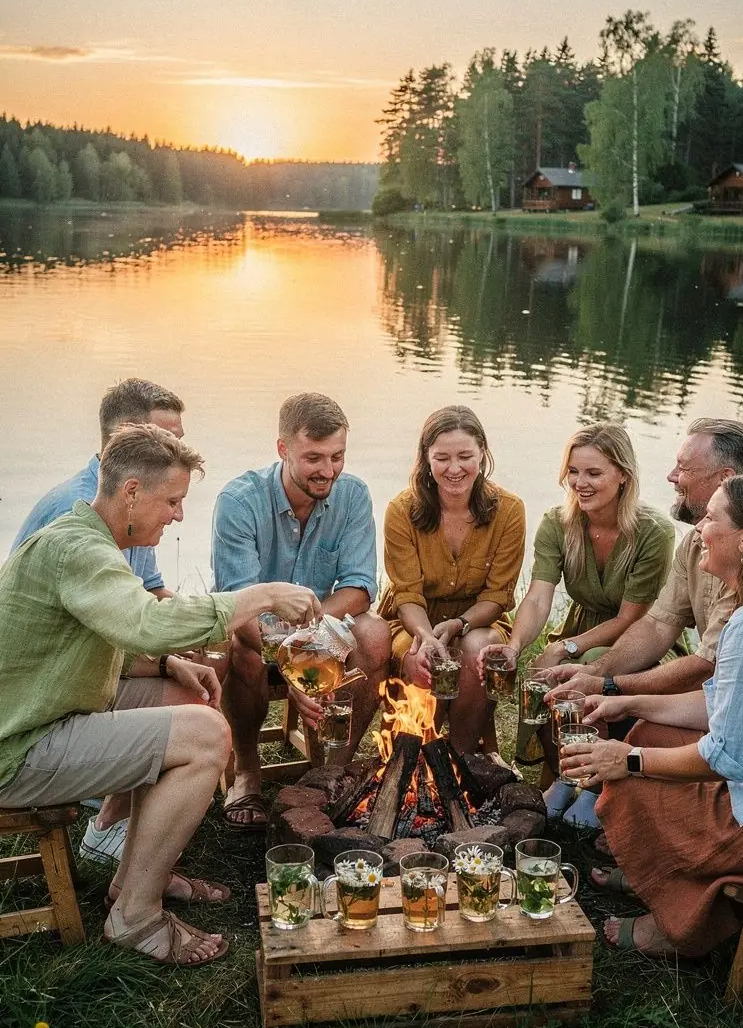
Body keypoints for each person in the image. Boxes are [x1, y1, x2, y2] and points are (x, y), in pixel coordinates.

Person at [0, 424, 319, 965]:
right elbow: (148, 623)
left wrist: (171, 663)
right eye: (172, 500)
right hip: (19, 748)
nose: (178, 515)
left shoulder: (88, 539)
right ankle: (135, 920)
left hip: (46, 714)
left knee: (184, 699)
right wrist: (259, 595)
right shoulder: (79, 550)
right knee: (205, 735)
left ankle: (133, 881)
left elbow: (95, 637)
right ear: (131, 493)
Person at [560, 475, 743, 960]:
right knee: (651, 729)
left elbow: (730, 760)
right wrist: (625, 702)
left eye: (711, 518)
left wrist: (629, 760)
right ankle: (654, 876)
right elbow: (722, 704)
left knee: (634, 781)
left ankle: (682, 924)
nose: (699, 528)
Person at [9, 377, 187, 866]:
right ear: (125, 443)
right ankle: (110, 820)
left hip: (97, 668)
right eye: (165, 441)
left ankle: (115, 827)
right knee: (194, 714)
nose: (176, 451)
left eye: (179, 440)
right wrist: (232, 611)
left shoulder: (133, 507)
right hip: (47, 701)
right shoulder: (71, 512)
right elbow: (70, 635)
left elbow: (148, 593)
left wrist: (180, 647)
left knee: (197, 678)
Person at [212, 392, 390, 829]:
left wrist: (311, 642)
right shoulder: (239, 501)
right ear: (283, 449)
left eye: (337, 456)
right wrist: (295, 665)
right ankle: (248, 771)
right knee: (241, 647)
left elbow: (359, 589)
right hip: (257, 631)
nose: (327, 470)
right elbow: (239, 606)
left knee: (375, 633)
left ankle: (329, 771)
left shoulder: (352, 495)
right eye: (314, 457)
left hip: (320, 626)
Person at [479, 423, 674, 823]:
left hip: (639, 637)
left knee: (585, 665)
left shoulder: (655, 532)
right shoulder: (558, 522)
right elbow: (537, 595)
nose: (579, 483)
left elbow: (630, 617)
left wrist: (570, 646)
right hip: (585, 628)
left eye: (593, 473)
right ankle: (566, 777)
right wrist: (515, 647)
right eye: (573, 471)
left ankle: (593, 785)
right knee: (541, 670)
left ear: (623, 475)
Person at [547, 418, 743, 702]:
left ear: (724, 479)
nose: (671, 476)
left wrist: (611, 686)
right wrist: (595, 673)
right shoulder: (693, 544)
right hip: (715, 699)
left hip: (740, 708)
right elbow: (657, 625)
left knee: (638, 727)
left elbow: (707, 666)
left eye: (684, 468)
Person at [378, 405, 525, 755]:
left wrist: (460, 624)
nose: (454, 468)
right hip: (413, 621)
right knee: (420, 660)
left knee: (477, 649)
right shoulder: (401, 511)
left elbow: (497, 595)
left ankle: (460, 759)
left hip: (479, 618)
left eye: (465, 456)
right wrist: (427, 636)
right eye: (442, 457)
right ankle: (413, 757)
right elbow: (408, 595)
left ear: (482, 454)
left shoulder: (509, 511)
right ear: (426, 459)